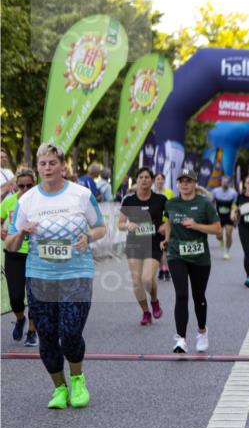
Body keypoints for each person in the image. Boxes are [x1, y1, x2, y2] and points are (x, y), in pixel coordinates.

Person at [4, 142, 106, 409]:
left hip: (77, 274)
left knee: (70, 333)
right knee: (47, 335)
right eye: (42, 164)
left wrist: (88, 237)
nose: (47, 168)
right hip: (40, 276)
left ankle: (77, 379)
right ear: (37, 167)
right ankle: (59, 388)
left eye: (52, 163)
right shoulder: (26, 200)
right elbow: (10, 245)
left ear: (63, 166)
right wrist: (22, 231)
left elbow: (101, 227)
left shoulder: (81, 195)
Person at [162, 170, 221, 353]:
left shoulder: (204, 204)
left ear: (195, 183)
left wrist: (196, 225)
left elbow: (217, 230)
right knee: (181, 295)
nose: (185, 184)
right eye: (181, 181)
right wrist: (166, 238)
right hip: (176, 254)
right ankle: (181, 339)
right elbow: (169, 223)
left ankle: (202, 331)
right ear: (177, 184)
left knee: (198, 297)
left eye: (189, 181)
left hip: (200, 257)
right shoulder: (171, 203)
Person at [118, 167, 167, 325]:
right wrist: (128, 226)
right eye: (141, 177)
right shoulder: (129, 200)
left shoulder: (160, 199)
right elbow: (120, 224)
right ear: (137, 180)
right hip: (134, 243)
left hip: (153, 242)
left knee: (147, 279)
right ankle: (146, 312)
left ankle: (154, 300)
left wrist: (166, 228)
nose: (144, 180)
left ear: (152, 180)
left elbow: (170, 219)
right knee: (137, 281)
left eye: (147, 177)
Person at [1, 167, 39, 346]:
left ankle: (32, 331)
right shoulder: (9, 202)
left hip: (35, 254)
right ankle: (20, 318)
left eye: (28, 185)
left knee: (34, 296)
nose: (24, 189)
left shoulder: (41, 202)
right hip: (13, 254)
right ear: (16, 185)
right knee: (16, 297)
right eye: (21, 186)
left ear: (35, 184)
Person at [210, 176, 238, 260]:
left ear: (229, 183)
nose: (225, 183)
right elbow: (211, 203)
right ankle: (221, 240)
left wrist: (233, 213)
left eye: (226, 182)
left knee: (229, 234)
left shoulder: (233, 193)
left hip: (229, 216)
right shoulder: (215, 191)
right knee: (219, 236)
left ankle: (226, 251)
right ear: (221, 182)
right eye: (223, 181)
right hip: (218, 216)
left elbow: (234, 205)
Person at [152, 172, 173, 281]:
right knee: (159, 248)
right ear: (154, 181)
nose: (160, 181)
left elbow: (171, 208)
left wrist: (167, 223)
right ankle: (162, 269)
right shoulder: (151, 193)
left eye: (161, 179)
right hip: (155, 223)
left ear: (164, 181)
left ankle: (165, 269)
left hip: (167, 223)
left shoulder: (169, 192)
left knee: (165, 247)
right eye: (157, 179)